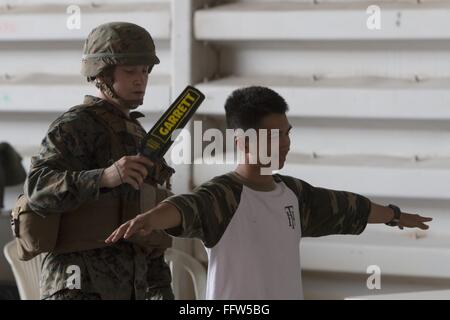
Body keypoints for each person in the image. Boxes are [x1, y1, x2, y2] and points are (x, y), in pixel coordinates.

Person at [106, 86, 432, 300]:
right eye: (274, 136)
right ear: (243, 141)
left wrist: (395, 215)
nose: (286, 144)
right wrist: (150, 218)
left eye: (287, 134)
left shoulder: (294, 194)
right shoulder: (223, 196)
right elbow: (185, 207)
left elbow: (348, 207)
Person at [24, 22, 175, 300]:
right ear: (101, 75)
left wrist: (161, 288)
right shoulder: (75, 125)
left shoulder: (139, 136)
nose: (140, 80)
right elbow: (37, 189)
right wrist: (104, 177)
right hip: (78, 283)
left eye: (145, 71)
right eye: (130, 71)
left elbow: (147, 223)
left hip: (132, 286)